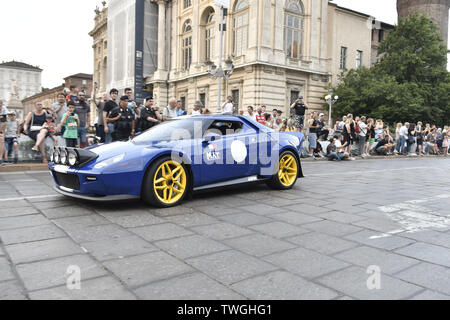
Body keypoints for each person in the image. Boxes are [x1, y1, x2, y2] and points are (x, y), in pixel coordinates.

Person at [0, 100, 9, 165]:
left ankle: (0, 158)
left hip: (2, 129)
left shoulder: (4, 108)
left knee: (1, 140)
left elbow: (4, 121)